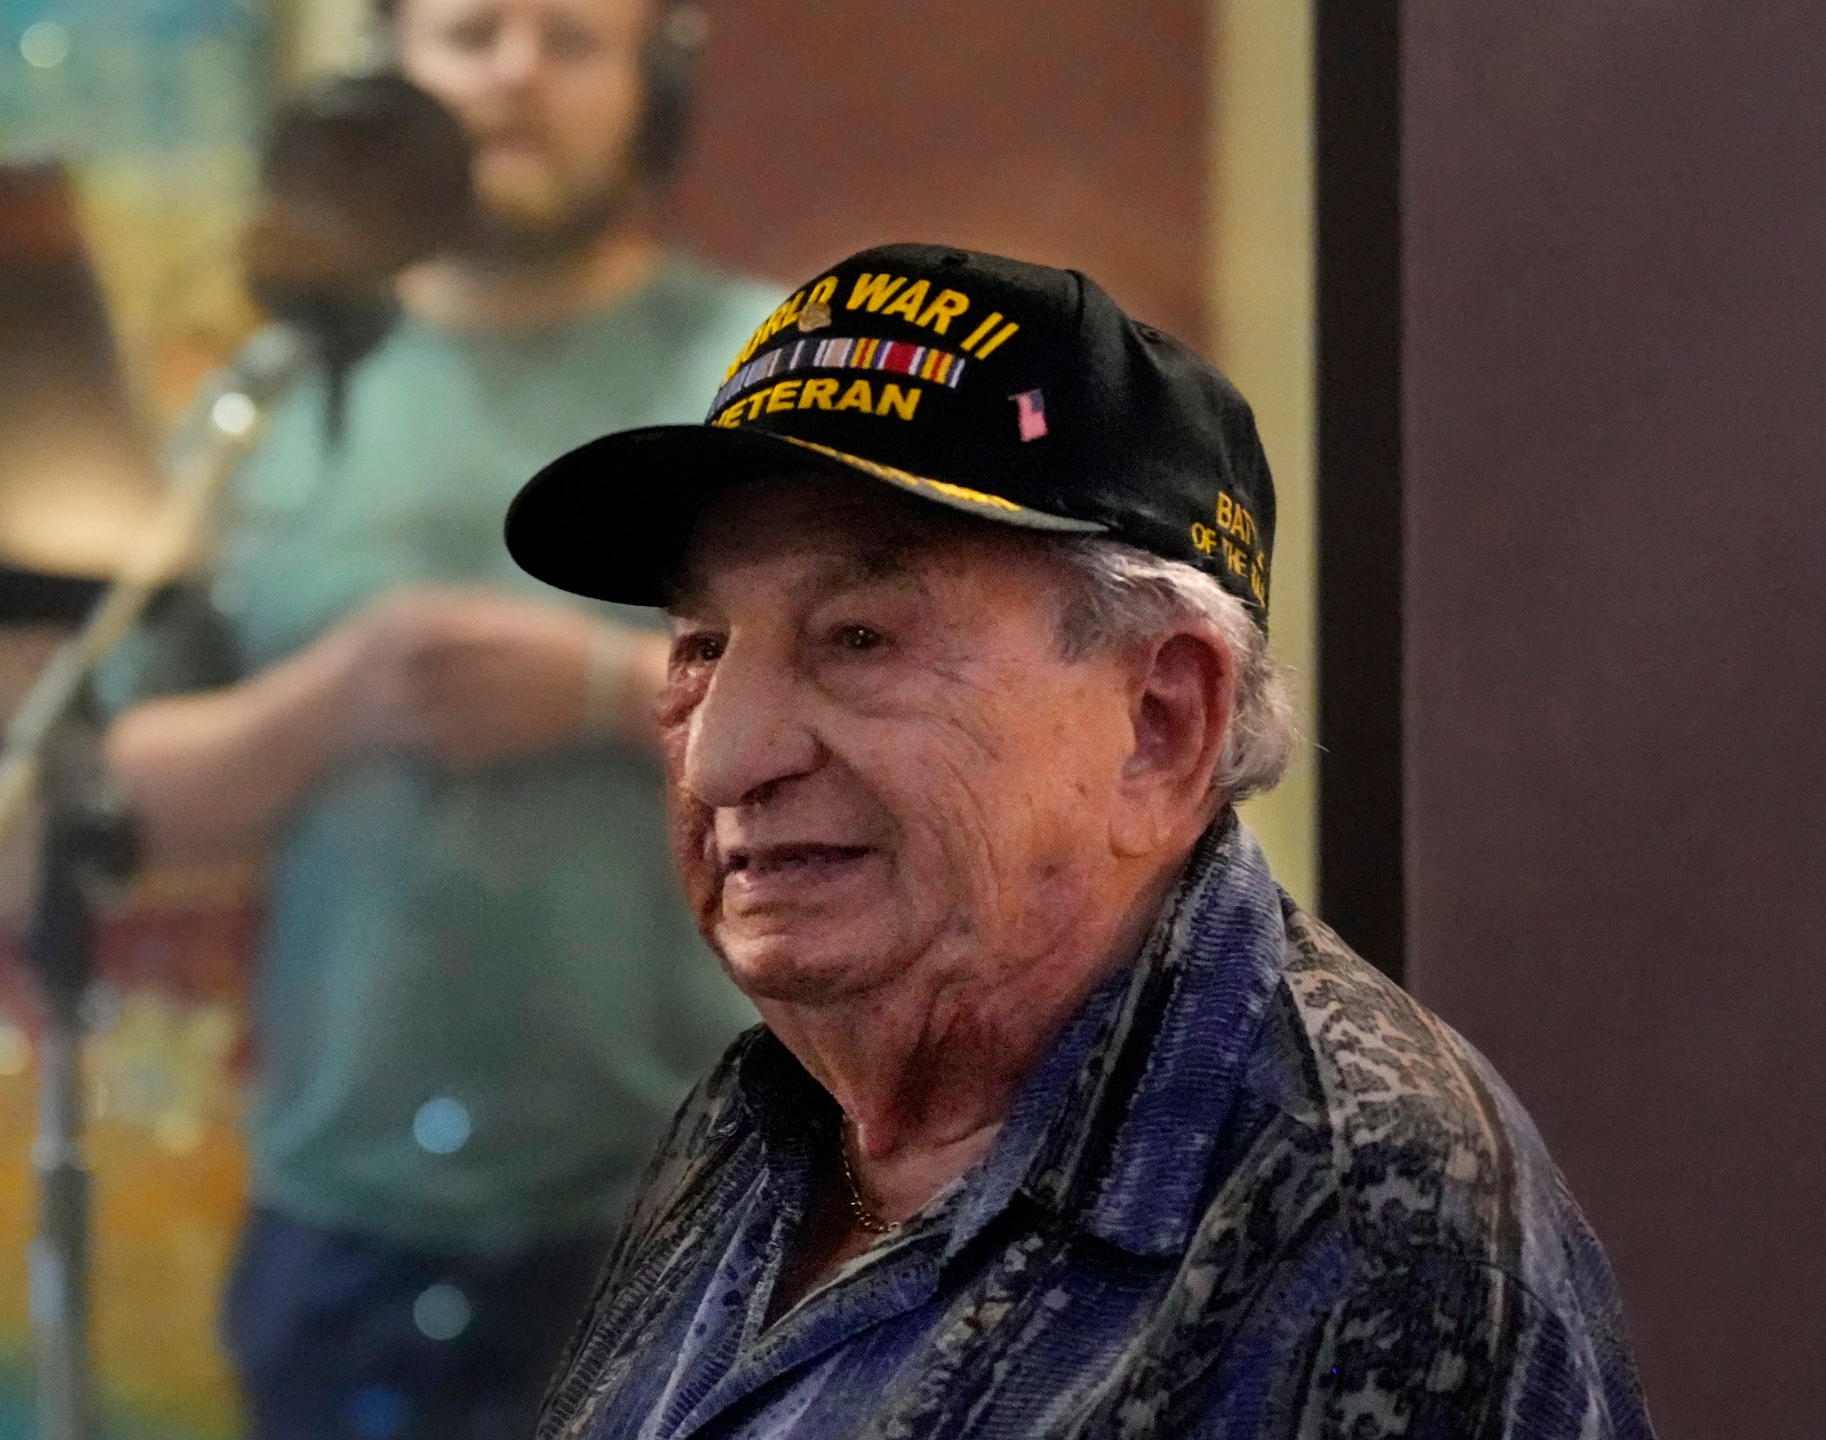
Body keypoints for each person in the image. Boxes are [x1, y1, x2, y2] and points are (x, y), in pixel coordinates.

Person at [499, 244, 1656, 1439]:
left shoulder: (1354, 1232)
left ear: (1160, 727)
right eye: (700, 646)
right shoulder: (769, 1113)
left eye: (857, 637)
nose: (721, 758)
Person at [100, 1, 771, 1437]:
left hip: (713, 1204)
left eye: (571, 40)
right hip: (344, 1232)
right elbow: (111, 796)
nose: (518, 74)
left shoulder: (766, 374)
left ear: (651, 80)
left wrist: (604, 692)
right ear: (391, 78)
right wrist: (328, 706)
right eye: (473, 32)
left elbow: (893, 714)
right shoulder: (269, 398)